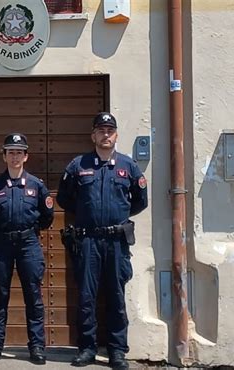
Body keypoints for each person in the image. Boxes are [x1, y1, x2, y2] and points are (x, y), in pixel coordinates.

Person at [56, 112, 148, 369]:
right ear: (93, 135)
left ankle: (117, 350)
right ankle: (87, 349)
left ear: (116, 135)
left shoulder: (128, 166)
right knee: (86, 296)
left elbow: (141, 200)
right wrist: (89, 214)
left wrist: (117, 215)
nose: (105, 135)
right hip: (88, 242)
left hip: (116, 242)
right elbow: (65, 199)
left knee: (116, 296)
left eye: (110, 131)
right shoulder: (78, 165)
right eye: (101, 130)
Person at [0, 133, 54, 365]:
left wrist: (27, 231)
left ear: (26, 156)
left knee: (33, 296)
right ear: (4, 156)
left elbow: (47, 217)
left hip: (28, 244)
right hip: (0, 244)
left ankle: (37, 346)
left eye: (19, 152)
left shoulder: (37, 186)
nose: (15, 157)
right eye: (10, 152)